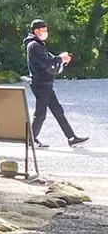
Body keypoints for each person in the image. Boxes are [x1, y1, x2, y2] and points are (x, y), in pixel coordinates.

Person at [25, 20, 89, 148]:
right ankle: (30, 139)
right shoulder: (34, 45)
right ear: (36, 31)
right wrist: (60, 58)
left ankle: (71, 137)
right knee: (41, 113)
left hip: (45, 83)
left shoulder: (39, 44)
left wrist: (61, 58)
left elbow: (49, 58)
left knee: (57, 111)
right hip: (41, 84)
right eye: (43, 30)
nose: (45, 32)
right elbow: (45, 62)